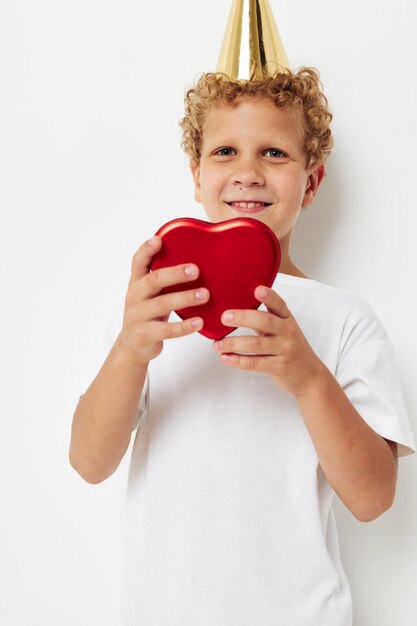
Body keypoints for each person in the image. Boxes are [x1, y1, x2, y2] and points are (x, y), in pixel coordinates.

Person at [69, 2, 415, 625]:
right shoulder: (152, 305)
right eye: (224, 151)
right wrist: (129, 350)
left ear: (311, 183)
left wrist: (308, 377)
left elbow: (373, 499)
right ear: (196, 176)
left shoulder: (345, 319)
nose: (247, 172)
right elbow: (90, 463)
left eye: (275, 155)